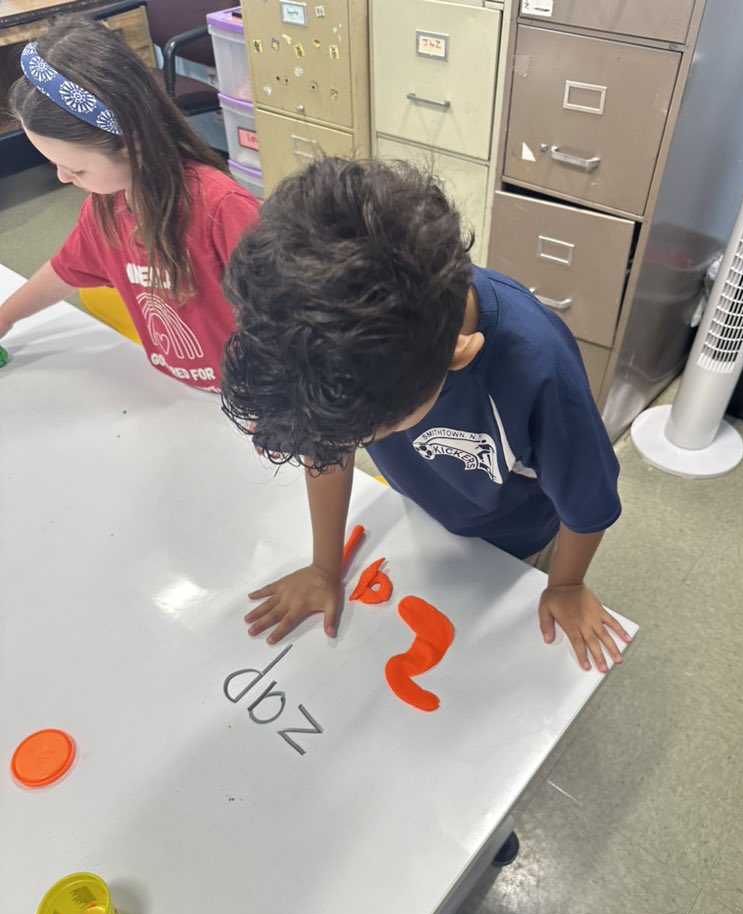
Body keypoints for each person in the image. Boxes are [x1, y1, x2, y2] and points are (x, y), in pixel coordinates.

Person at [221, 157, 632, 672]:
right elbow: (328, 445)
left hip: (515, 541)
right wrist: (325, 568)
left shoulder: (539, 369)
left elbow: (588, 503)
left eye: (365, 434)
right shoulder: (338, 353)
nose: (344, 446)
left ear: (458, 357)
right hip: (429, 513)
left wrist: (566, 584)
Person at [0, 17, 259, 391]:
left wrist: (273, 402)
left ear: (133, 144)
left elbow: (279, 318)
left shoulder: (222, 208)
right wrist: (6, 317)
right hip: (178, 392)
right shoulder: (104, 210)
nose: (61, 178)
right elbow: (66, 270)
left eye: (75, 168)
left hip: (247, 396)